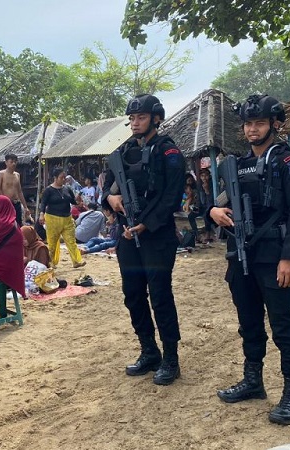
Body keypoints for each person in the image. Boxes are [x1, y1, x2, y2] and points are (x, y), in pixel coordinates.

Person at [209, 94, 290, 425]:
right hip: (241, 253)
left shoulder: (288, 161)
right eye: (249, 124)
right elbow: (220, 200)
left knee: (283, 326)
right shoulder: (236, 164)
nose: (252, 129)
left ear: (275, 125)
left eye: (259, 123)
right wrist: (213, 210)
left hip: (275, 255)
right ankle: (253, 382)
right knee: (249, 322)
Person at [102, 94, 185, 386]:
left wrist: (146, 225)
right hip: (126, 235)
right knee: (133, 294)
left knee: (161, 296)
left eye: (141, 118)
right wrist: (110, 198)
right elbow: (106, 187)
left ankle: (171, 358)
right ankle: (149, 351)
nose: (135, 123)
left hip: (157, 236)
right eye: (132, 119)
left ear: (156, 118)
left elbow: (173, 196)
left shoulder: (168, 151)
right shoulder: (122, 151)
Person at [39, 167, 85, 268]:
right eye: (61, 177)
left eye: (65, 177)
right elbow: (43, 203)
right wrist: (41, 214)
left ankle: (77, 260)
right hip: (53, 218)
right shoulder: (48, 190)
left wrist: (77, 201)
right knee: (52, 243)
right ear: (55, 178)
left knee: (71, 240)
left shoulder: (67, 188)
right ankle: (51, 262)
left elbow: (73, 201)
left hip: (67, 218)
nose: (64, 179)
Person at [0, 154, 29, 226]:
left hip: (16, 203)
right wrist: (0, 204)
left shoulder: (17, 175)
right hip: (6, 204)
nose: (14, 164)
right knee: (7, 224)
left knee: (18, 224)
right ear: (6, 162)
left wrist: (25, 207)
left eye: (15, 162)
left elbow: (19, 191)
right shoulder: (1, 174)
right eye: (11, 162)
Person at [188, 168, 215, 244]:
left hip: (210, 206)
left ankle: (208, 234)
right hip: (202, 206)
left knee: (206, 214)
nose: (204, 178)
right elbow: (200, 199)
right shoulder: (199, 185)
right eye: (202, 176)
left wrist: (207, 190)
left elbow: (211, 199)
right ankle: (197, 234)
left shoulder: (212, 184)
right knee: (190, 216)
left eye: (206, 175)